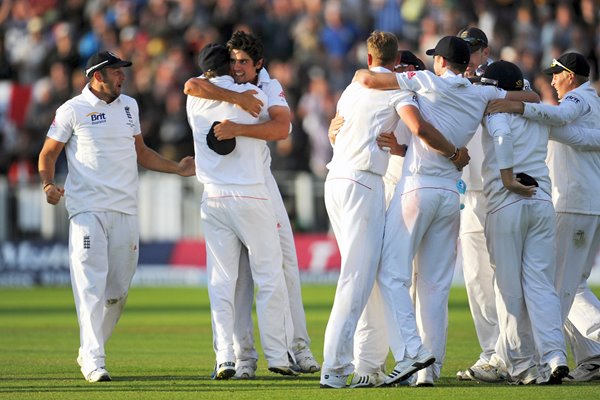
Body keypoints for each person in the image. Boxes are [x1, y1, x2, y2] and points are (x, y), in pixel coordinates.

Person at [354, 36, 539, 386]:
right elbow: (531, 98)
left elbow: (367, 79)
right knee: (435, 286)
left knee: (392, 274)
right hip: (451, 195)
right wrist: (491, 100)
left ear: (440, 61)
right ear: (466, 64)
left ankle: (411, 353)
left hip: (417, 187)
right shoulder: (481, 93)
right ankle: (428, 372)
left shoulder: (425, 81)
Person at [37, 51, 195, 383]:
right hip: (87, 210)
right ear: (97, 76)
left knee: (117, 292)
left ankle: (89, 349)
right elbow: (48, 152)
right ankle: (95, 359)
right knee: (90, 285)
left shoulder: (130, 107)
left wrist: (177, 169)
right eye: (115, 72)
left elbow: (141, 152)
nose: (122, 76)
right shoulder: (72, 110)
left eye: (123, 72)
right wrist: (49, 184)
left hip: (125, 209)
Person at [320, 32, 464, 389]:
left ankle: (390, 359)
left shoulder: (352, 87)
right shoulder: (399, 92)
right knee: (360, 278)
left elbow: (339, 130)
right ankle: (339, 367)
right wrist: (455, 155)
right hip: (365, 184)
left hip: (336, 180)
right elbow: (418, 127)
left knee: (367, 277)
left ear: (369, 58)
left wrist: (332, 132)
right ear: (397, 63)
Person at [183, 30, 320, 378]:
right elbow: (193, 85)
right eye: (233, 61)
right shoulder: (248, 92)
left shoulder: (267, 87)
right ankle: (249, 357)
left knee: (273, 268)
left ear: (258, 63)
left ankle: (293, 349)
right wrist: (237, 100)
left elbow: (282, 128)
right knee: (256, 275)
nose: (238, 67)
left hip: (250, 188)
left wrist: (237, 125)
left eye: (244, 62)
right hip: (248, 191)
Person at [487, 52, 600, 382]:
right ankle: (590, 356)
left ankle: (544, 358)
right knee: (568, 285)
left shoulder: (579, 97)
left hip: (574, 203)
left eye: (557, 74)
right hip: (585, 203)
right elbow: (577, 136)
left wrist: (521, 108)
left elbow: (562, 118)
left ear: (572, 76)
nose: (552, 80)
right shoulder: (592, 101)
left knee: (556, 287)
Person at [480, 60, 569, 384]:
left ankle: (523, 367)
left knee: (509, 290)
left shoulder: (497, 109)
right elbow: (555, 115)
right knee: (541, 285)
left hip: (508, 202)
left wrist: (507, 179)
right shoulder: (536, 111)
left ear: (499, 87)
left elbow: (501, 136)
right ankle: (554, 355)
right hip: (541, 202)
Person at [454, 27, 505, 382]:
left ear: (484, 52)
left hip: (500, 191)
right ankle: (491, 353)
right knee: (475, 278)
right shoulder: (452, 83)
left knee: (507, 278)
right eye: (463, 50)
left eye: (472, 50)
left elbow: (529, 96)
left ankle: (512, 351)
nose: (468, 56)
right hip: (468, 193)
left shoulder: (499, 79)